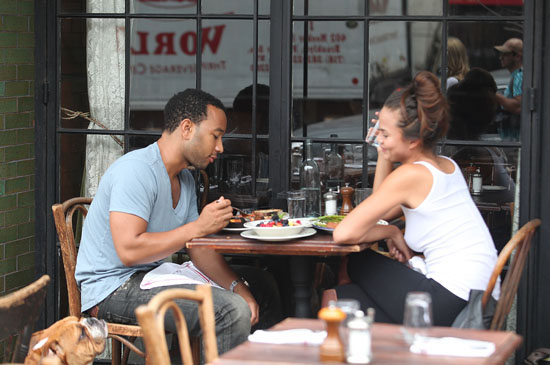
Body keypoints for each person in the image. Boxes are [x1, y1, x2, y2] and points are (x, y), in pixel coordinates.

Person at [75, 89, 281, 358]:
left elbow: (198, 248)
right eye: (215, 135)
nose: (220, 147)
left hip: (152, 277)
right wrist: (199, 227)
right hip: (112, 290)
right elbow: (129, 251)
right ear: (186, 128)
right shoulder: (135, 171)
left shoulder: (184, 179)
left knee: (262, 284)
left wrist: (239, 287)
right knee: (230, 310)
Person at [332, 71, 499, 326]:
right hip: (481, 297)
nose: (379, 139)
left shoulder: (411, 175)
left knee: (356, 260)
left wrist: (390, 233)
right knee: (342, 297)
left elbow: (343, 234)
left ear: (414, 140)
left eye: (385, 135)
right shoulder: (447, 166)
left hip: (452, 301)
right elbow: (383, 210)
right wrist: (391, 232)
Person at [494, 38, 523, 115]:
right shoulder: (517, 75)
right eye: (500, 54)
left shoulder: (519, 76)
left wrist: (494, 95)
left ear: (517, 56)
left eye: (505, 54)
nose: (501, 58)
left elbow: (519, 107)